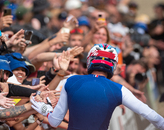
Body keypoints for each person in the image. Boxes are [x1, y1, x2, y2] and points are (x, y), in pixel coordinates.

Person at [31, 43, 164, 130]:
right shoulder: (119, 89)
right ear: (113, 65)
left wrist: (45, 109)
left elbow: (54, 121)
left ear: (89, 61)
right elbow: (152, 116)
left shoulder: (71, 81)